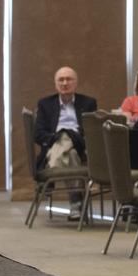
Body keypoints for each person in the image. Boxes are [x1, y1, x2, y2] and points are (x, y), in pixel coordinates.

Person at [34, 66, 99, 220]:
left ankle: (53, 169)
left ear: (76, 83)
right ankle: (76, 203)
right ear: (55, 84)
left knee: (68, 136)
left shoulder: (89, 102)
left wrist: (70, 136)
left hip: (78, 144)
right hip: (55, 145)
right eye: (61, 80)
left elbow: (92, 131)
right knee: (70, 152)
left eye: (68, 79)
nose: (64, 83)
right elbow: (38, 134)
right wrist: (60, 137)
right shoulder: (45, 104)